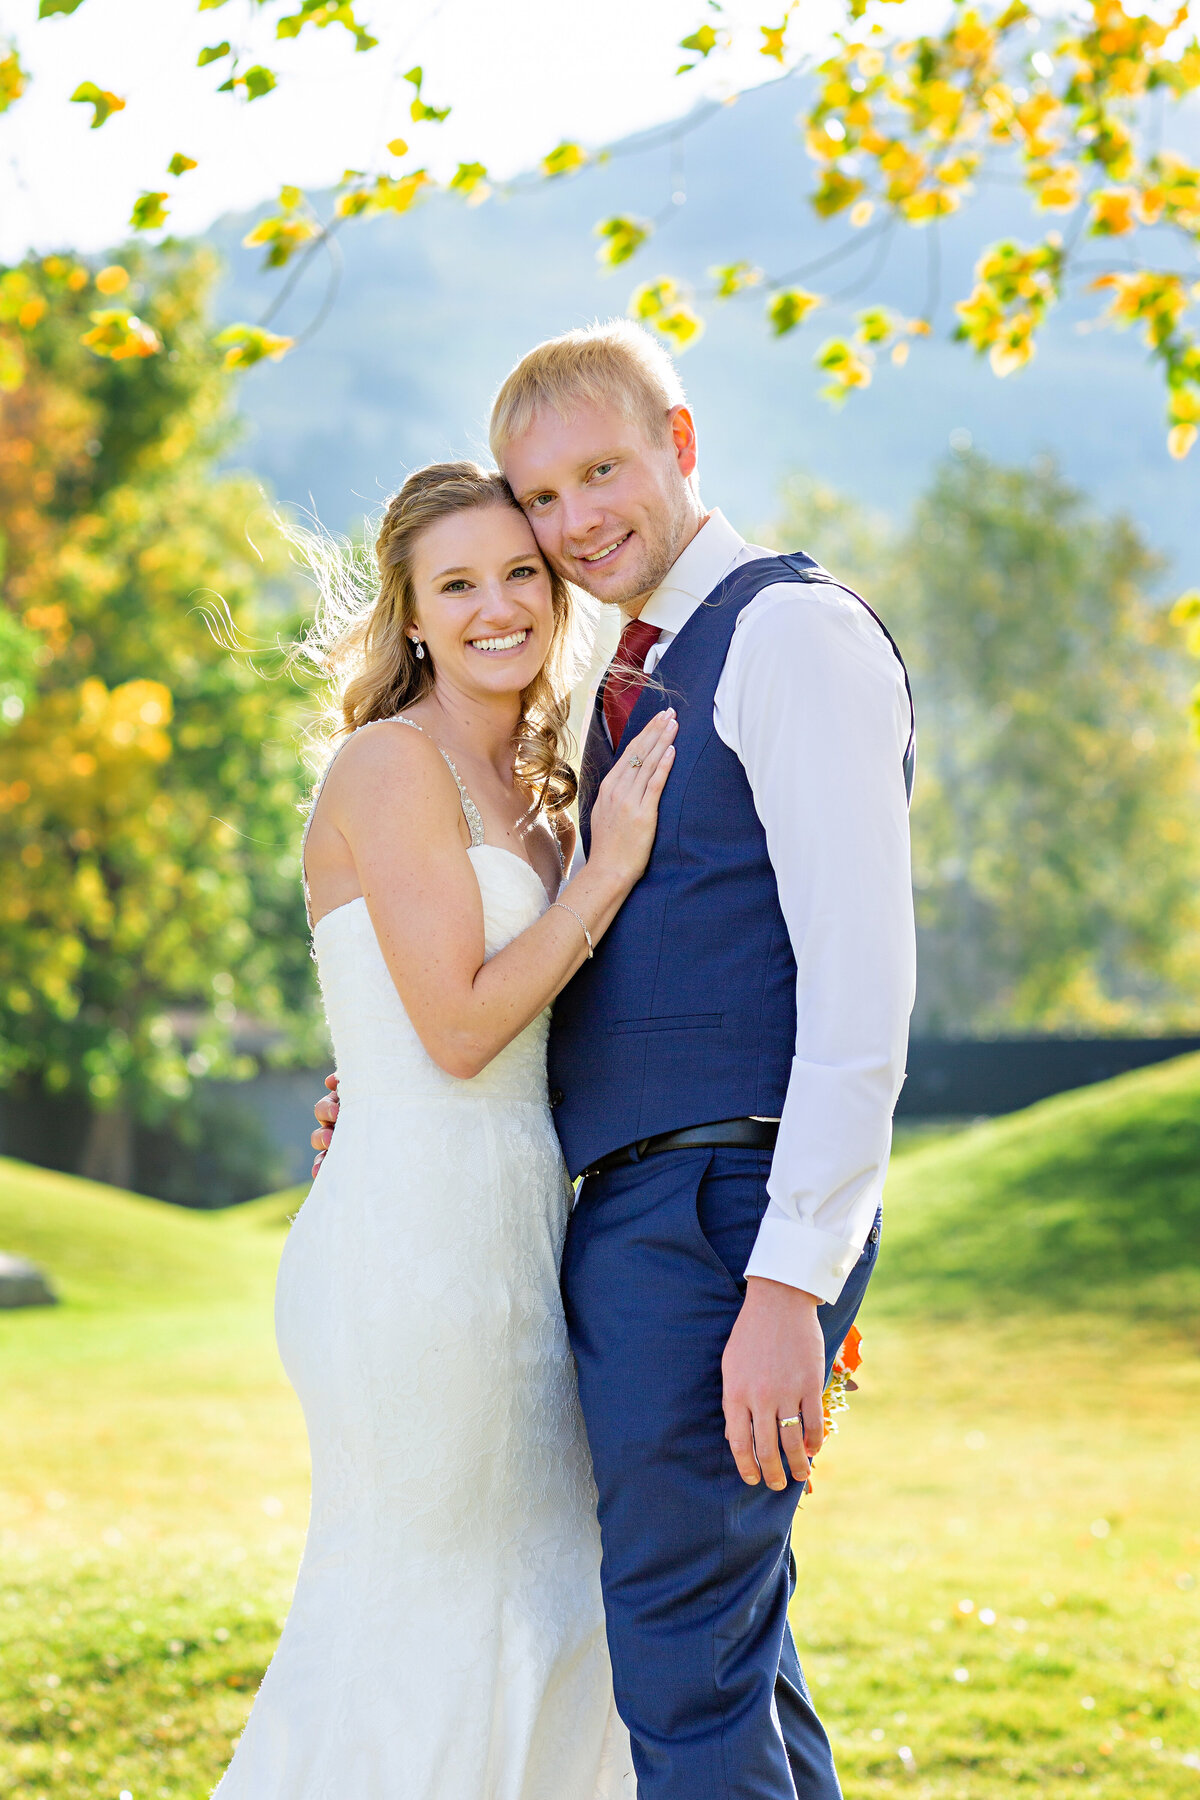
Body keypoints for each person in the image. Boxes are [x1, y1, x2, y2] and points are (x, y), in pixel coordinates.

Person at [313, 321, 916, 1799]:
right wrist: (389, 1080)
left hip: (722, 1215)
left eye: (603, 472)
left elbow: (862, 988)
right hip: (618, 1214)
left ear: (683, 445)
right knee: (730, 1661)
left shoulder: (793, 636)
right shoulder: (611, 691)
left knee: (677, 1664)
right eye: (542, 499)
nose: (576, 523)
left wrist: (789, 1277)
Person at [214, 461, 674, 1798]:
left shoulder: (542, 782)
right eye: (455, 584)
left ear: (556, 586)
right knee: (425, 1617)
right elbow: (461, 1031)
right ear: (409, 614)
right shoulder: (389, 763)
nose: (496, 606)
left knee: (543, 1610)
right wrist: (610, 871)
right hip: (414, 1254)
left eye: (519, 574)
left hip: (521, 1236)